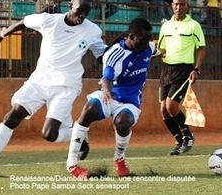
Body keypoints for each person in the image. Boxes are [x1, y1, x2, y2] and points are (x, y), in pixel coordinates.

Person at [0, 0, 107, 179]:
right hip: (40, 80)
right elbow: (24, 22)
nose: (82, 16)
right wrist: (3, 33)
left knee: (49, 134)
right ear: (70, 6)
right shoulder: (49, 21)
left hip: (66, 86)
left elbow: (103, 55)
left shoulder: (93, 31)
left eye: (87, 12)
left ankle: (78, 137)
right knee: (12, 116)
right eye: (80, 10)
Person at [66, 17, 156, 178]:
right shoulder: (115, 53)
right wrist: (107, 90)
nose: (146, 43)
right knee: (89, 108)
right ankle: (72, 165)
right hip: (110, 94)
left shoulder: (149, 46)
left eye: (149, 39)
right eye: (143, 40)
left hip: (130, 101)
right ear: (132, 36)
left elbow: (157, 51)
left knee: (123, 122)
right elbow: (107, 75)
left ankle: (119, 158)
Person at [156, 0, 205, 156]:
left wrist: (196, 69)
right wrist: (149, 55)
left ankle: (188, 136)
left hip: (184, 69)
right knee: (163, 110)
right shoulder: (166, 26)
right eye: (176, 5)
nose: (178, 7)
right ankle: (178, 140)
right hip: (166, 69)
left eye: (182, 5)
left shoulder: (194, 25)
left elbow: (201, 48)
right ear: (172, 5)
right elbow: (161, 48)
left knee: (171, 105)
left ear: (187, 6)